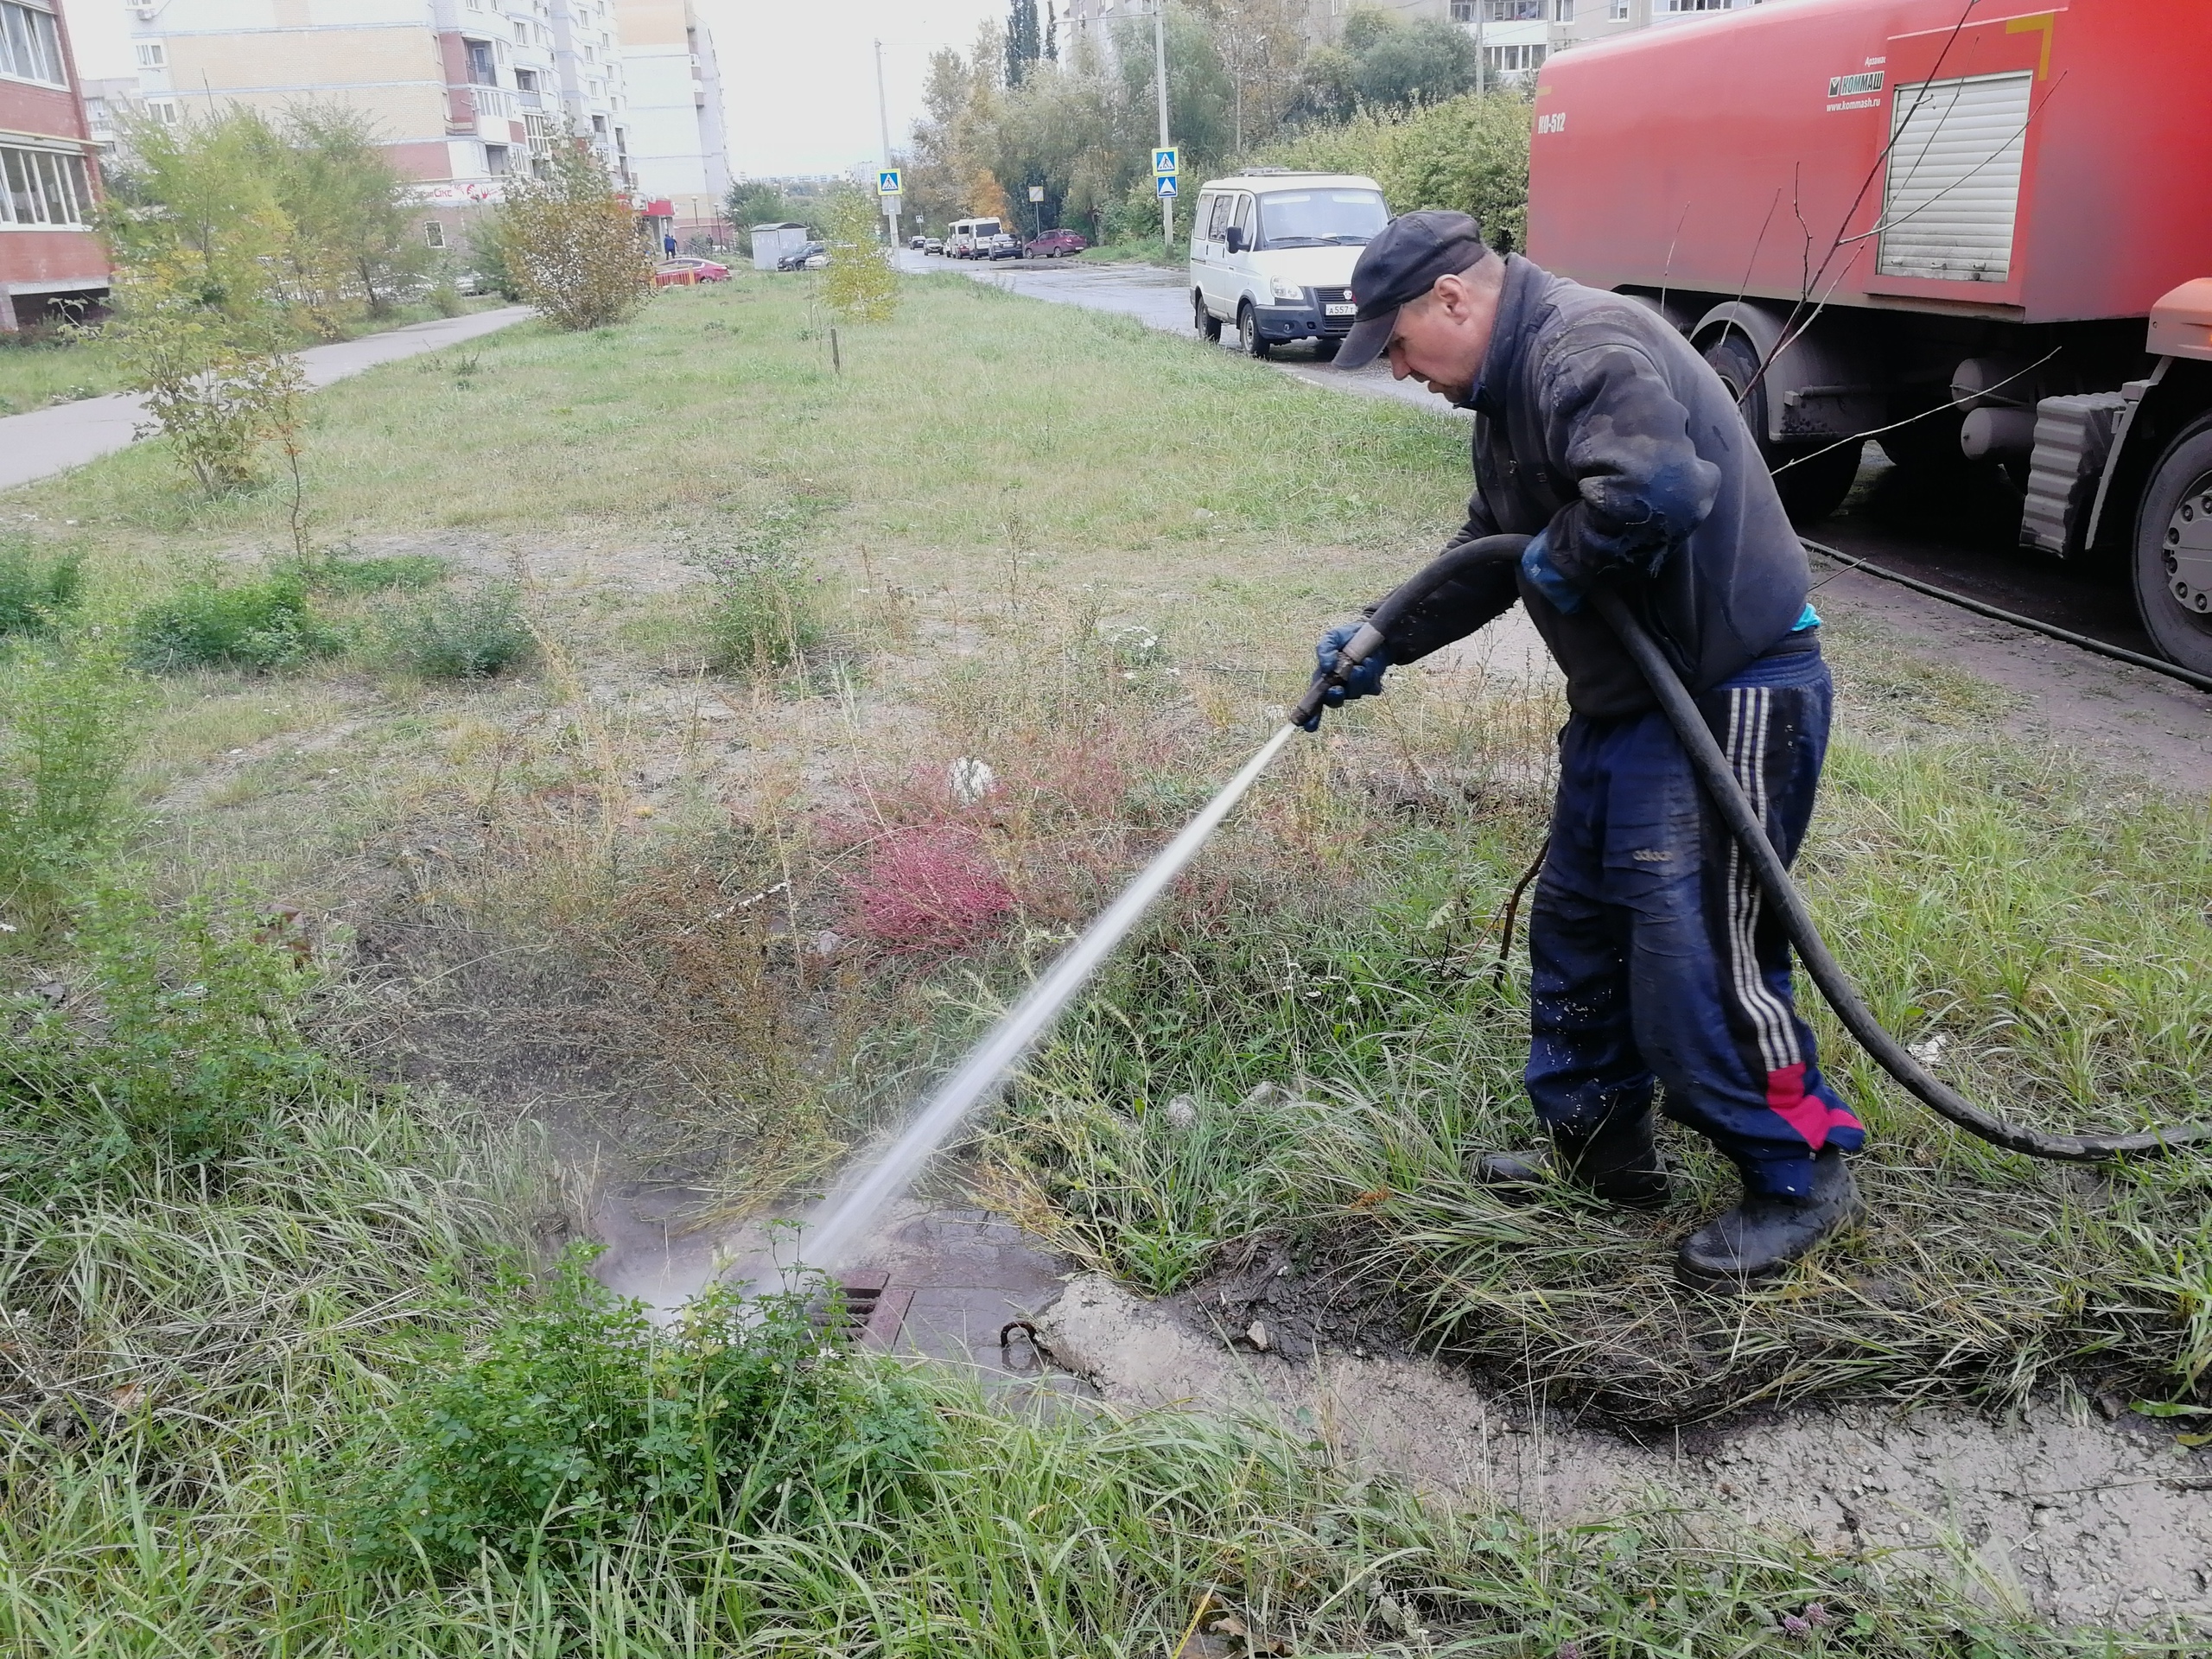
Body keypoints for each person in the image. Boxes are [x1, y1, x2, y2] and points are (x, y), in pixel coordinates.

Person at [1313, 210, 1866, 1289]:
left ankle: (1797, 1167)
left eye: (1397, 346)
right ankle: (1602, 1154)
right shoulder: (1507, 389)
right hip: (1627, 710)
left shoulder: (1580, 345)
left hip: (1727, 692)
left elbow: (1655, 489)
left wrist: (1567, 550)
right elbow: (1487, 552)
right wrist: (1383, 631)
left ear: (1452, 302)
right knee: (1577, 929)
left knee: (1694, 948)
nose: (1399, 369)